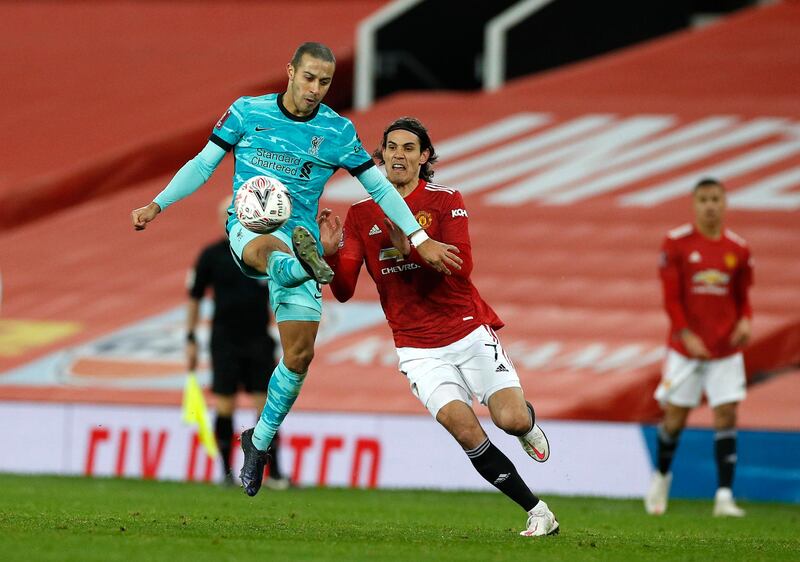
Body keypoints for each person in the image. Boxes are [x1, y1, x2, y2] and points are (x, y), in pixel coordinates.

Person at [131, 42, 462, 497]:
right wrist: (157, 204)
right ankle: (295, 267)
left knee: (300, 356)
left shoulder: (338, 131)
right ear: (290, 72)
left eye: (324, 82)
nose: (315, 89)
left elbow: (381, 190)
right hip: (251, 226)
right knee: (268, 245)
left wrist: (420, 238)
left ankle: (259, 440)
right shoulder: (247, 112)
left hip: (302, 238)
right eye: (308, 78)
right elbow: (204, 163)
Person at [317, 117, 559, 537]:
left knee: (510, 419)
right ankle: (538, 511)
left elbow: (462, 267)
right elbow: (342, 291)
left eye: (409, 148)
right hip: (416, 347)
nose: (398, 155)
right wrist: (331, 255)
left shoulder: (445, 200)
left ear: (424, 157)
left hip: (465, 329)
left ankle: (527, 424)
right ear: (379, 156)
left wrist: (408, 245)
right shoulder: (360, 214)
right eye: (391, 147)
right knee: (464, 428)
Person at [646, 177, 753, 517]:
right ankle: (662, 476)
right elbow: (671, 298)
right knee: (675, 418)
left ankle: (724, 497)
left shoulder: (738, 249)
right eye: (704, 199)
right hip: (686, 351)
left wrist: (746, 321)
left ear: (725, 204)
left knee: (727, 414)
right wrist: (684, 334)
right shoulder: (676, 243)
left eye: (715, 199)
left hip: (725, 351)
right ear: (694, 204)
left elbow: (743, 299)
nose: (710, 205)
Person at [186, 198, 289, 489]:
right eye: (225, 217)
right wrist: (191, 338)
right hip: (225, 342)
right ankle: (225, 472)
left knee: (266, 407)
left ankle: (276, 473)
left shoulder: (260, 252)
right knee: (224, 406)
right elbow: (194, 297)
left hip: (258, 340)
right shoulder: (211, 256)